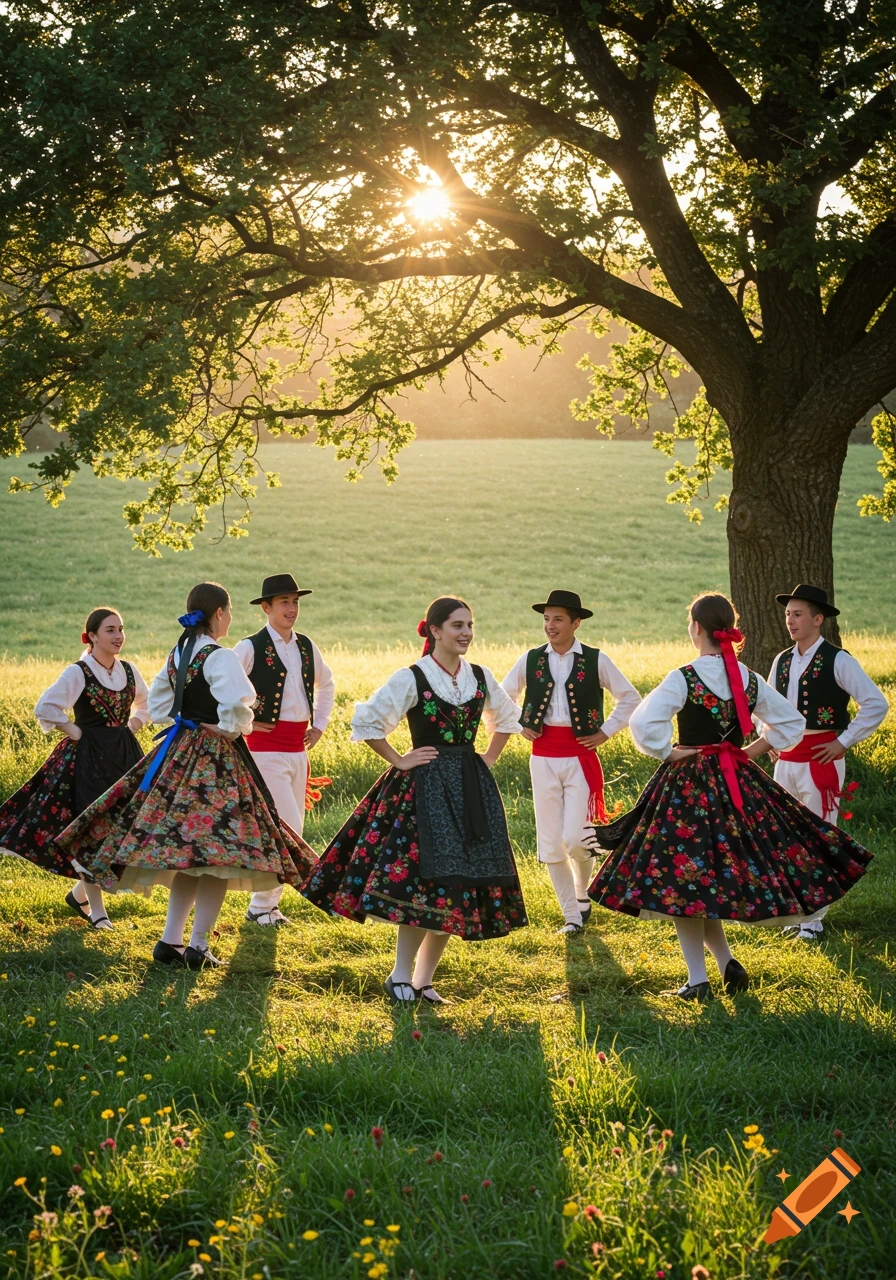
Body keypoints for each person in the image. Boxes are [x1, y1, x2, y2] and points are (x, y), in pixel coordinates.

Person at [587, 592, 873, 1001]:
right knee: (705, 885)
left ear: (696, 628)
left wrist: (669, 752)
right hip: (737, 782)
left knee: (684, 885)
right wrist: (748, 752)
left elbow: (643, 722)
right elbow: (791, 723)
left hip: (688, 785)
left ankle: (697, 981)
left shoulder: (683, 677)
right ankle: (726, 964)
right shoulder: (747, 677)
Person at [55, 582, 316, 969]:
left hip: (179, 753)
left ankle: (171, 941)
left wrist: (189, 721)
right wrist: (228, 728)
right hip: (214, 761)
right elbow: (240, 703)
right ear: (220, 614)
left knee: (193, 857)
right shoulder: (219, 655)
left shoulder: (180, 652)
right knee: (218, 856)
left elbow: (159, 704)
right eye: (228, 612)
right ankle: (197, 944)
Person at [301, 596, 528, 1005]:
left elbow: (508, 718)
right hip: (423, 791)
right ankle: (399, 976)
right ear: (435, 630)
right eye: (457, 625)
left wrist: (487, 759)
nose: (466, 633)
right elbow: (367, 721)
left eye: (470, 625)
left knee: (456, 885)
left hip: (470, 790)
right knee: (425, 887)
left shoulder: (479, 675)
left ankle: (422, 980)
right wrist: (401, 760)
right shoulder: (414, 677)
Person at [0, 608, 149, 930]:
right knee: (89, 831)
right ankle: (97, 910)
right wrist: (74, 731)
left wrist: (134, 724)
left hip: (123, 755)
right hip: (86, 758)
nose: (118, 635)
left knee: (123, 828)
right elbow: (47, 706)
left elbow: (146, 703)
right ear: (92, 636)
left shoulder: (129, 669)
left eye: (121, 629)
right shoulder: (79, 672)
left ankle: (80, 895)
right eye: (110, 630)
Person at [502, 589, 640, 934]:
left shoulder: (595, 659)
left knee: (577, 838)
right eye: (546, 619)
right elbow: (504, 695)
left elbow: (629, 697)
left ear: (576, 623)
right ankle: (572, 917)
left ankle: (581, 892)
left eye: (558, 619)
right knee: (550, 840)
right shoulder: (531, 659)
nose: (550, 625)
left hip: (580, 755)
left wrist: (606, 732)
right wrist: (520, 724)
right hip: (543, 755)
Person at [765, 584, 888, 941]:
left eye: (798, 613)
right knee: (784, 836)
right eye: (788, 613)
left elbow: (875, 704)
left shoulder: (839, 659)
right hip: (785, 758)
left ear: (818, 619)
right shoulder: (782, 660)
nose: (791, 619)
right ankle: (792, 912)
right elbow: (768, 705)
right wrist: (769, 736)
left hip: (821, 758)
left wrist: (843, 741)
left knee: (817, 836)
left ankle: (813, 920)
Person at [233, 573, 336, 928]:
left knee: (296, 828)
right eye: (284, 603)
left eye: (295, 602)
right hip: (263, 751)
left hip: (297, 750)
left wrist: (320, 725)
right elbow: (224, 690)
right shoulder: (247, 648)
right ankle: (261, 907)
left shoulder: (306, 645)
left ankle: (266, 905)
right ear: (266, 608)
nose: (292, 608)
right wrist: (245, 724)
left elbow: (328, 684)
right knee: (286, 827)